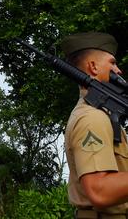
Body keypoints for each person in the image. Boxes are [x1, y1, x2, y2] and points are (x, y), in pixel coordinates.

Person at [63, 31, 128, 217]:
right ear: (93, 66)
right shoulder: (92, 118)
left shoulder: (103, 115)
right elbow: (100, 190)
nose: (118, 70)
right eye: (112, 63)